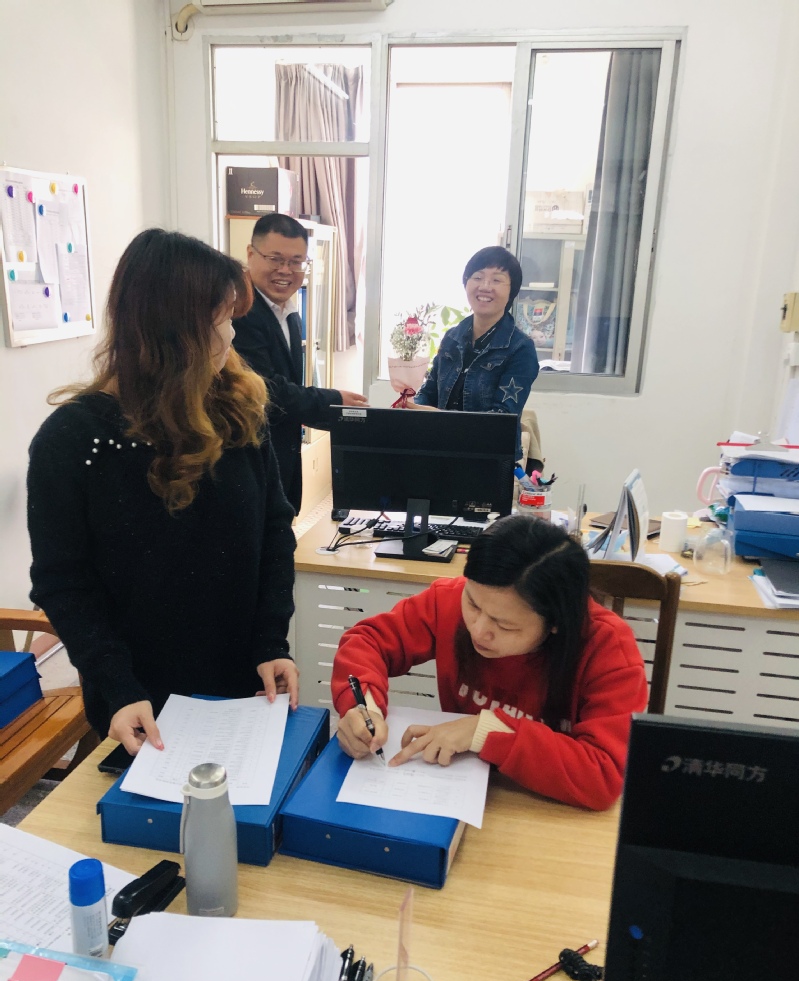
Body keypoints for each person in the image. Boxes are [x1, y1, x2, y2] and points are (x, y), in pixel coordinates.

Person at [27, 229, 299, 755]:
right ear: (178, 331)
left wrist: (273, 641)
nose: (232, 336)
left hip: (243, 684)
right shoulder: (74, 440)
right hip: (137, 703)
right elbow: (63, 581)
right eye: (222, 320)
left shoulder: (238, 411)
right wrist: (116, 685)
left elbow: (273, 529)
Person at [331, 515, 648, 811]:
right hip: (460, 790)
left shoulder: (608, 649)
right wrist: (364, 706)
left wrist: (485, 731)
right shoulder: (450, 600)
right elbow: (367, 641)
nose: (478, 631)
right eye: (472, 604)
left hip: (542, 808)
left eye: (504, 625)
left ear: (556, 623)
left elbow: (604, 774)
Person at [232, 213, 368, 512]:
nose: (285, 270)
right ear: (251, 254)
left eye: (296, 262)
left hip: (282, 456)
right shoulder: (240, 311)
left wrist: (345, 419)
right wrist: (334, 403)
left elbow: (290, 389)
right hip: (250, 461)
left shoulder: (288, 310)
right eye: (275, 259)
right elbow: (266, 390)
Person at [413, 247, 539, 460]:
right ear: (466, 283)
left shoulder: (520, 348)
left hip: (489, 460)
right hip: (440, 450)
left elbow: (502, 419)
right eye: (478, 277)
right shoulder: (452, 337)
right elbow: (430, 391)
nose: (485, 286)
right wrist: (409, 408)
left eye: (496, 280)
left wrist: (440, 418)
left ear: (512, 291)